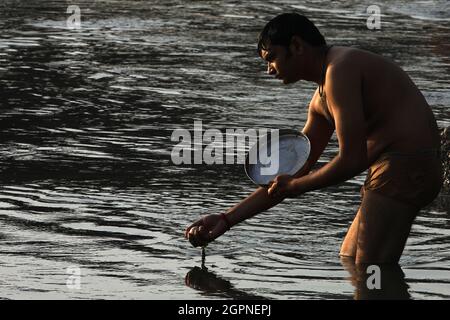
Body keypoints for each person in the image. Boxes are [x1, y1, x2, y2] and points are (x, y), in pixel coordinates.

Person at [185, 12, 443, 264]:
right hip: (393, 170)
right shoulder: (321, 99)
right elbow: (291, 174)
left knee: (369, 269)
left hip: (406, 167)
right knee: (351, 260)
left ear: (296, 46)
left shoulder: (340, 69)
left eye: (272, 58)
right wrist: (226, 219)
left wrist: (297, 186)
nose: (269, 70)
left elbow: (351, 160)